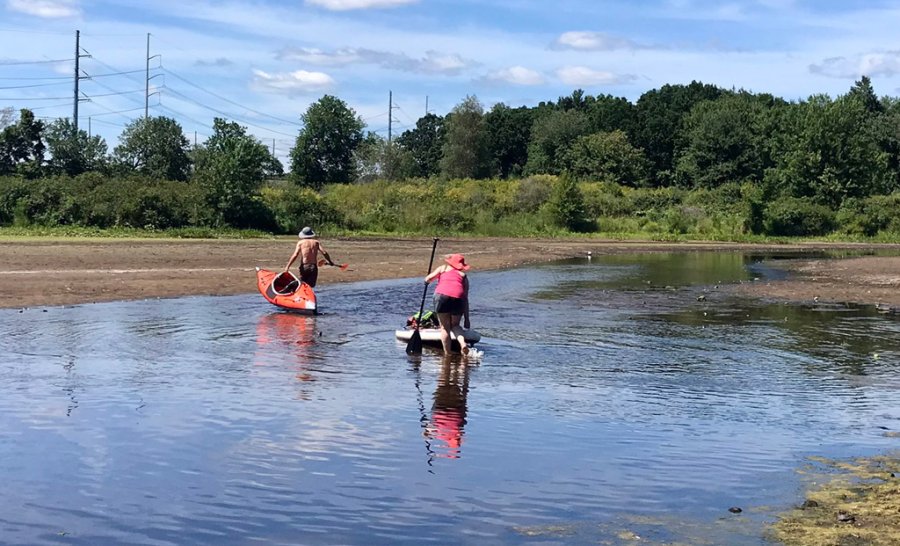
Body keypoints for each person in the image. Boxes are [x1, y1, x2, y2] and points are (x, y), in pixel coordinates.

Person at [424, 253, 471, 355]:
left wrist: (427, 280)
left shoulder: (443, 268)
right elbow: (465, 298)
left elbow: (428, 279)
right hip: (458, 298)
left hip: (442, 296)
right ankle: (462, 344)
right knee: (455, 325)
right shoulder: (463, 276)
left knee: (445, 327)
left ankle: (447, 353)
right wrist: (467, 318)